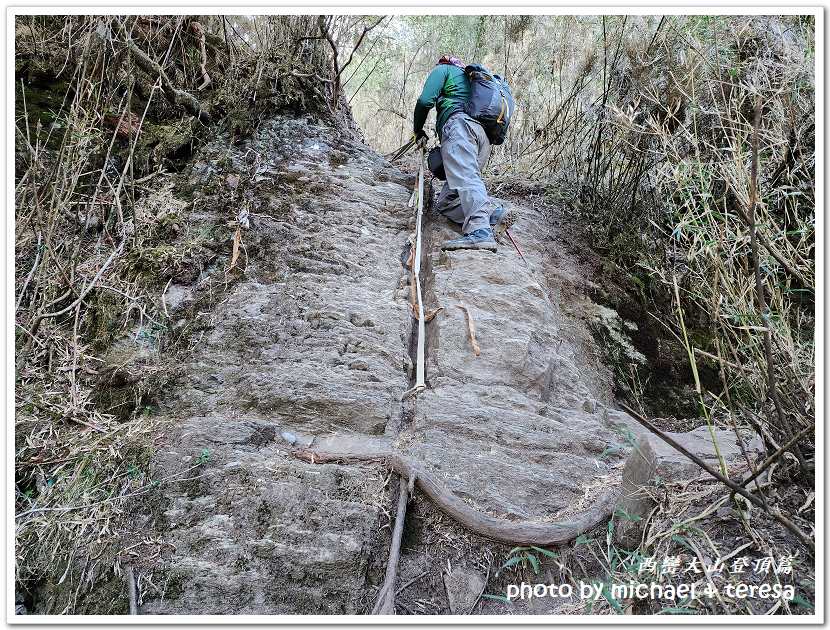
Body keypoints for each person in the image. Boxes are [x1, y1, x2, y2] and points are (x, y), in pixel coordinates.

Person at [413, 55, 517, 252]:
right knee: (446, 202)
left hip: (460, 128)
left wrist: (418, 132)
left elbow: (425, 100)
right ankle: (493, 214)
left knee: (467, 179)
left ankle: (480, 232)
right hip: (482, 139)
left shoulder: (444, 70)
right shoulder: (471, 80)